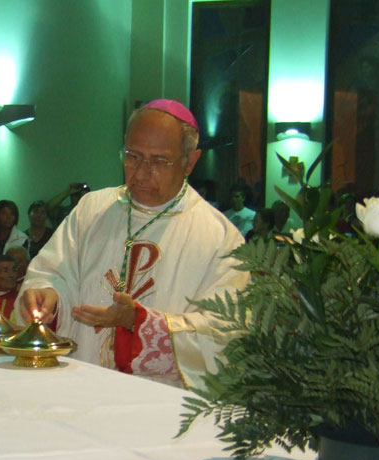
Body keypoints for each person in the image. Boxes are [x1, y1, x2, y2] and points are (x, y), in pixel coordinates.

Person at [17, 99, 247, 389]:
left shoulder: (220, 238)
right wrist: (48, 296)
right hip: (80, 387)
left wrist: (140, 323)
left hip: (160, 407)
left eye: (159, 161)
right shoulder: (92, 210)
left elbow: (226, 334)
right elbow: (53, 274)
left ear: (190, 161)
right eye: (132, 156)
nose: (140, 173)